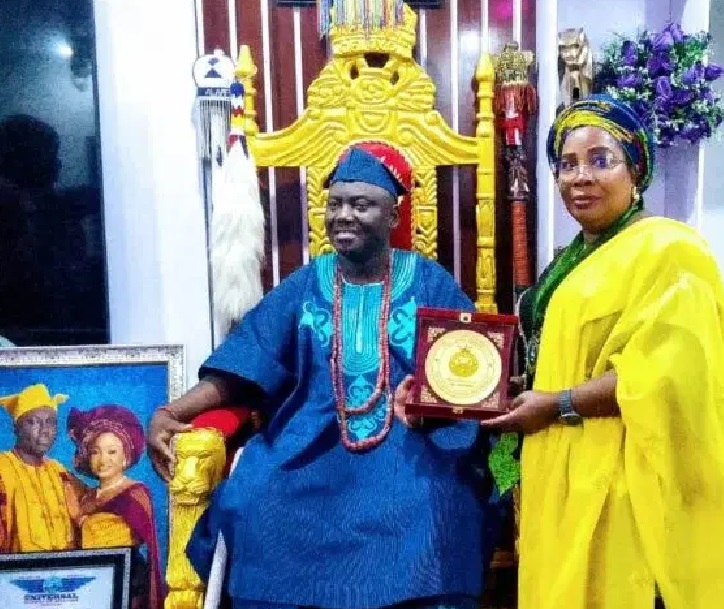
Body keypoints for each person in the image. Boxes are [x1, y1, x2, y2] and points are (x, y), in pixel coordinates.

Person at [147, 145, 499, 609]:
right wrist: (171, 410)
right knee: (257, 499)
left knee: (438, 503)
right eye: (335, 204)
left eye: (361, 205)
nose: (344, 216)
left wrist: (428, 403)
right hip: (307, 445)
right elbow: (247, 363)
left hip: (411, 446)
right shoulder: (306, 283)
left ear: (393, 216)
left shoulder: (428, 280)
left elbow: (475, 369)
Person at [479, 94, 724, 609]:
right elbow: (571, 354)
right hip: (564, 463)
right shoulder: (573, 257)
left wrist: (557, 403)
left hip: (628, 476)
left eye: (601, 160)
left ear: (635, 171)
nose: (581, 177)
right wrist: (521, 389)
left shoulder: (669, 250)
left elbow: (665, 375)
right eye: (568, 164)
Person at [65, 404, 164, 609]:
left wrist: (79, 519)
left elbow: (108, 541)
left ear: (125, 457)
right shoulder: (88, 495)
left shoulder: (135, 493)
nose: (103, 460)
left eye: (112, 452)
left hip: (126, 577)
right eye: (95, 452)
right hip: (91, 579)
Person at [0, 383, 77, 552]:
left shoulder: (59, 472)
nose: (44, 430)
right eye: (33, 422)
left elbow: (89, 506)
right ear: (16, 428)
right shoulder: (3, 469)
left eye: (50, 422)